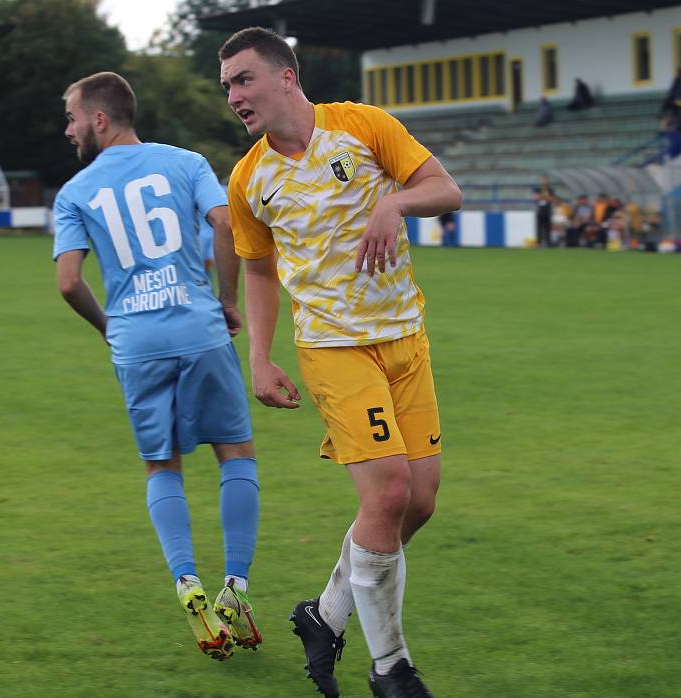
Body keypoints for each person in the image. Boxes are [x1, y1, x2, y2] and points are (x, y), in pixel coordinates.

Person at [219, 28, 462, 698]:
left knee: (419, 504)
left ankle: (323, 614)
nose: (235, 96)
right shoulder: (249, 179)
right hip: (333, 347)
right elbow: (259, 272)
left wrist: (395, 200)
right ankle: (392, 668)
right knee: (386, 494)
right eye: (229, 87)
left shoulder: (364, 125)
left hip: (406, 340)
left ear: (287, 76)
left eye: (245, 79)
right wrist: (260, 359)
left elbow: (446, 190)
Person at [52, 71, 262, 662]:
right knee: (235, 454)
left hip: (136, 340)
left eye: (71, 118)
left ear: (99, 119)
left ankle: (186, 581)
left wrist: (110, 328)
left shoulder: (74, 193)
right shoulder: (188, 162)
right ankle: (235, 589)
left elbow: (69, 282)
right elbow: (225, 224)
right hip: (198, 326)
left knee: (160, 465)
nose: (68, 131)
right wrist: (225, 300)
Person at [533, 176, 554, 247]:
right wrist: (545, 196)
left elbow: (551, 199)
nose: (544, 181)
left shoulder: (550, 189)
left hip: (548, 210)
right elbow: (536, 198)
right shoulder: (537, 189)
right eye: (542, 180)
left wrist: (542, 197)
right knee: (539, 227)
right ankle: (539, 242)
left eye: (545, 180)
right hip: (540, 210)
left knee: (548, 227)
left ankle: (548, 242)